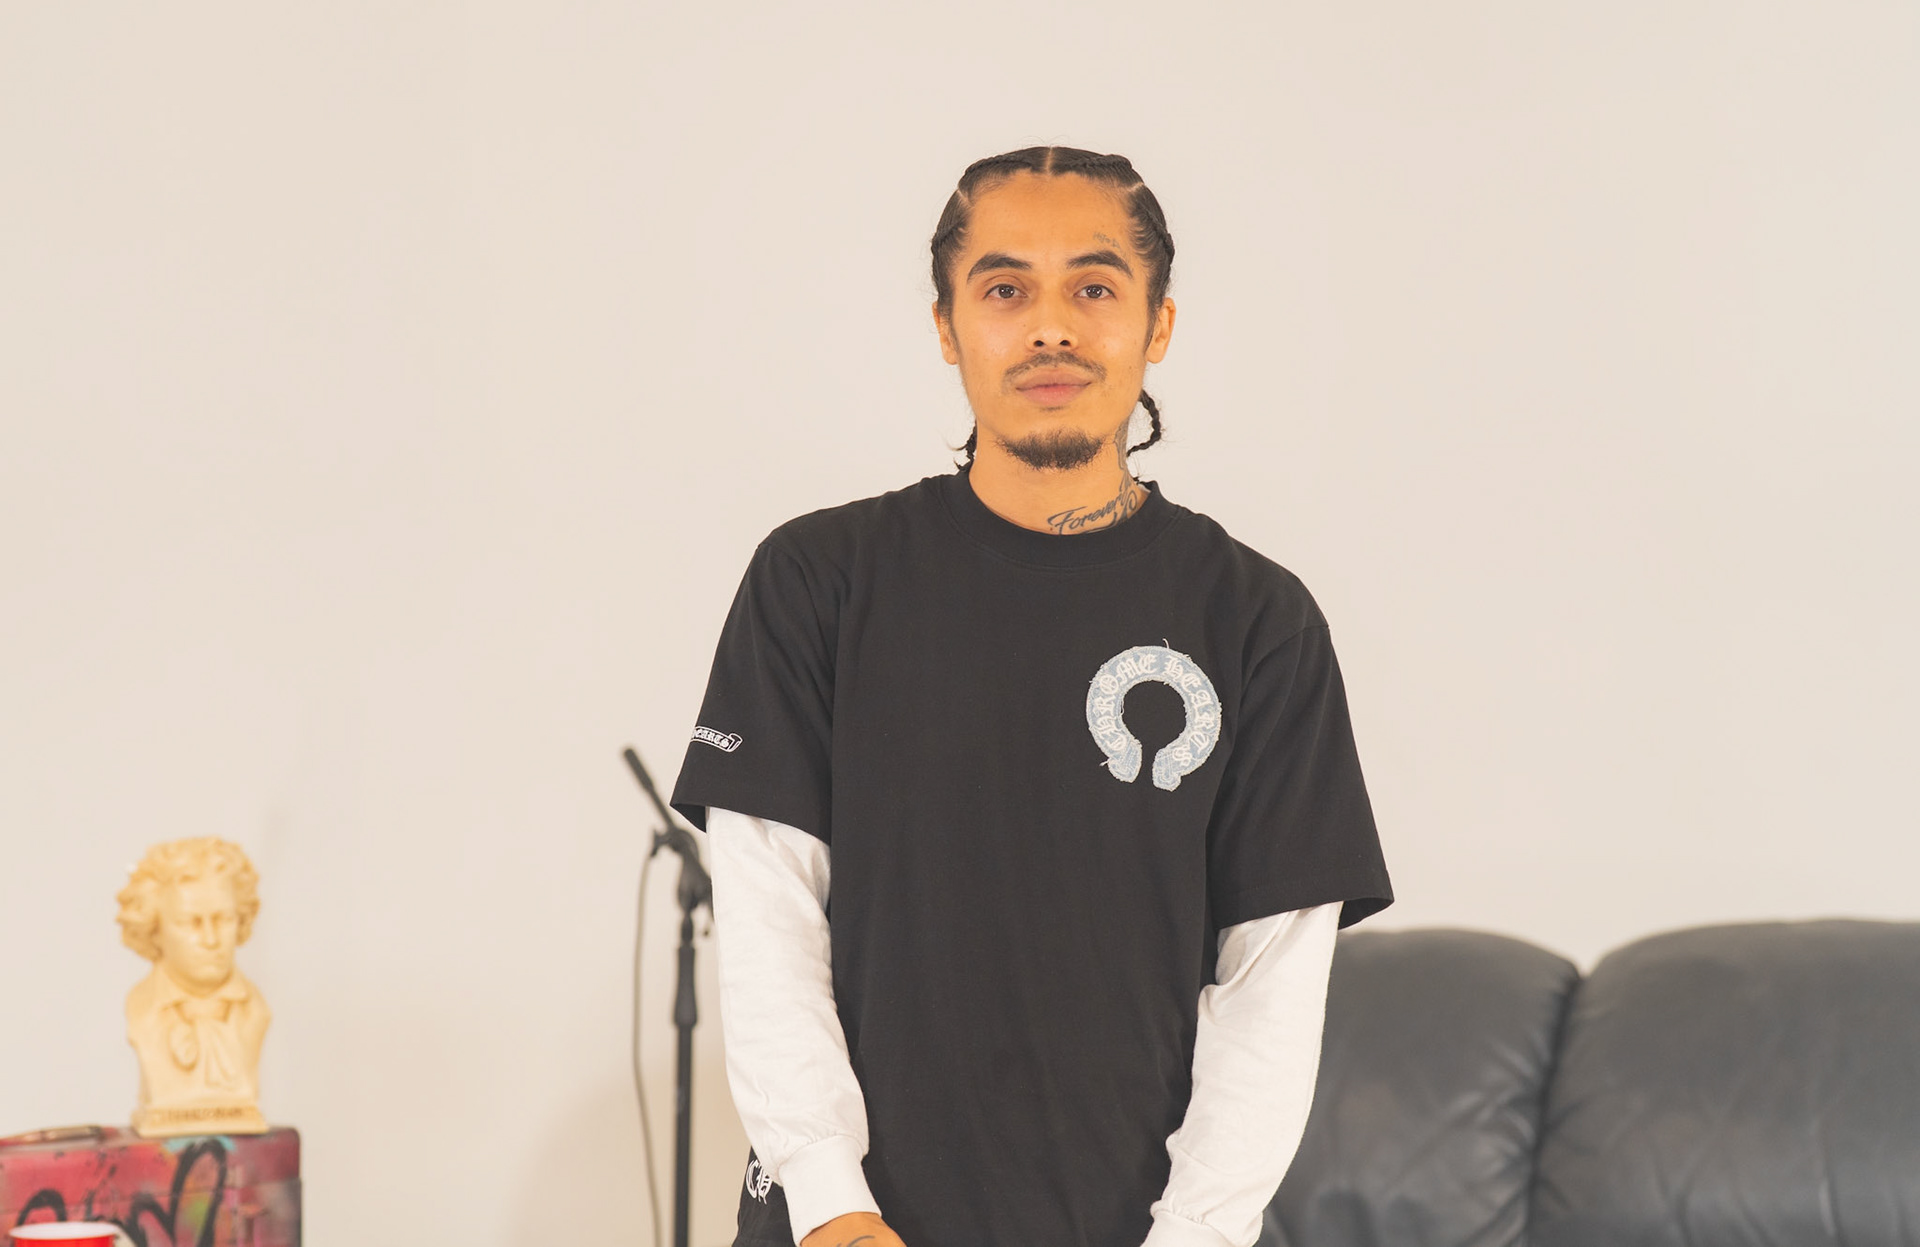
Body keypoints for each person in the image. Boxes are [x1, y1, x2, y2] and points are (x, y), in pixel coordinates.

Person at [671, 146, 1393, 1247]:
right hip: (842, 1227)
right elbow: (770, 915)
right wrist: (829, 1200)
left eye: (1094, 287)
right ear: (947, 326)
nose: (1051, 327)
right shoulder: (819, 582)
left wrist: (1195, 1232)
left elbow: (1269, 984)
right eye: (1005, 289)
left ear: (1157, 324)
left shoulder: (1258, 621)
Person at [118, 836, 271, 1136]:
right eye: (190, 922)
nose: (211, 940)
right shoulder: (142, 1010)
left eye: (223, 919)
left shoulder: (256, 1011)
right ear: (154, 930)